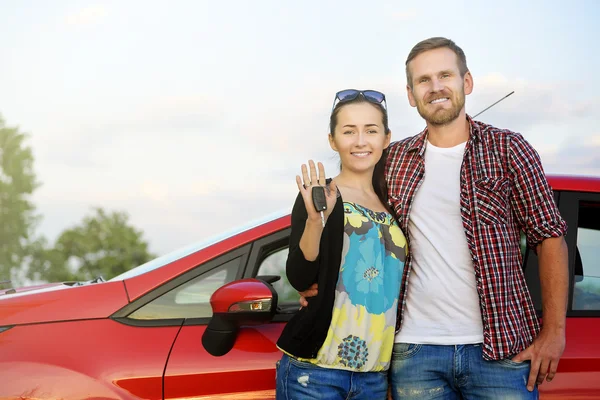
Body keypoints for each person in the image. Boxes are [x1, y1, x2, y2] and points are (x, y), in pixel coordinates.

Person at [299, 37, 569, 399]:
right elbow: (351, 219)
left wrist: (554, 332)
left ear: (466, 82)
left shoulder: (509, 149)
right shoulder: (392, 161)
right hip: (414, 353)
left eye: (445, 75)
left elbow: (548, 236)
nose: (436, 87)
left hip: (502, 351)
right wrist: (318, 284)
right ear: (411, 94)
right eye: (423, 80)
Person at [275, 89, 409, 400]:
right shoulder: (321, 195)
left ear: (386, 138)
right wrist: (314, 221)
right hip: (316, 372)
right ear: (333, 141)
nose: (360, 141)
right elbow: (299, 277)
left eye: (371, 130)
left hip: (374, 377)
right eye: (349, 131)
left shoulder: (396, 202)